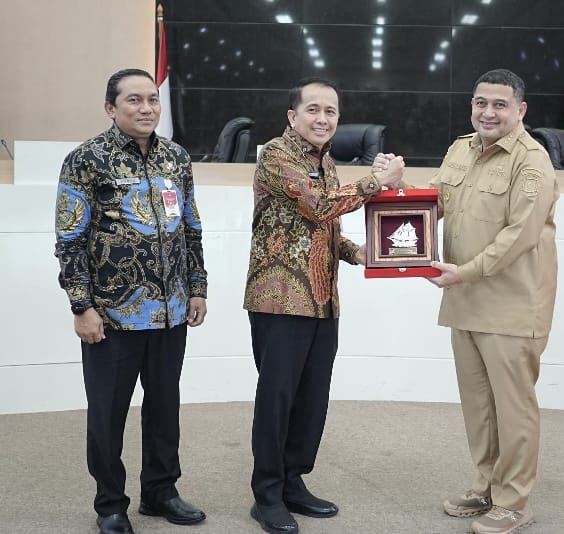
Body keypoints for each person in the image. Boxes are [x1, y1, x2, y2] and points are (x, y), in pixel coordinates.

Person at [243, 77, 405, 534]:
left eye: (330, 111)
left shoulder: (327, 161)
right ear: (292, 116)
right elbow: (316, 206)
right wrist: (377, 181)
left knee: (311, 398)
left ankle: (293, 481)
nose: (322, 118)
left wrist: (361, 252)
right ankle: (267, 494)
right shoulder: (276, 155)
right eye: (313, 110)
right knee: (277, 399)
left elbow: (324, 228)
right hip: (279, 300)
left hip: (322, 300)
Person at [54, 68, 208, 534]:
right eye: (134, 100)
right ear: (111, 108)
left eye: (152, 100)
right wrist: (81, 307)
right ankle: (110, 505)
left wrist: (197, 287)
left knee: (164, 410)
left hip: (170, 314)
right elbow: (69, 240)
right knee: (108, 416)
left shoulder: (176, 157)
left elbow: (191, 229)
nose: (146, 108)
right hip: (111, 317)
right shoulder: (86, 159)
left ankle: (160, 492)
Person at [424, 68, 559, 534]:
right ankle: (485, 485)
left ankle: (514, 502)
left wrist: (464, 272)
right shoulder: (460, 149)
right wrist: (394, 193)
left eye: (500, 104)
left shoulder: (532, 161)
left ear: (521, 110)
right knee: (479, 406)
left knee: (513, 409)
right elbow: (433, 203)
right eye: (481, 102)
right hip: (464, 300)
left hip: (511, 306)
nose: (488, 112)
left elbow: (520, 235)